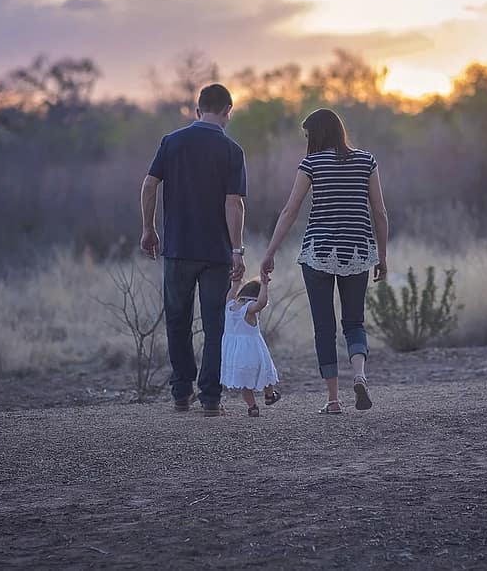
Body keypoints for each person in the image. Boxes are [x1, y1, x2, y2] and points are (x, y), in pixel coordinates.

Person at [260, 108, 389, 415]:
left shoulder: (311, 164)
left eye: (308, 135)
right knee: (354, 321)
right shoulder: (366, 161)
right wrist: (382, 256)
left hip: (318, 252)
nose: (307, 141)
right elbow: (380, 213)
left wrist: (270, 251)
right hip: (357, 251)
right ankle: (359, 375)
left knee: (324, 326)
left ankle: (333, 399)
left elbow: (290, 211)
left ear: (317, 134)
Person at [140, 83, 247, 417]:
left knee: (177, 321)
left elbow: (149, 184)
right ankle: (211, 399)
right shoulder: (232, 150)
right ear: (228, 111)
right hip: (216, 253)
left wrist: (148, 228)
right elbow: (234, 204)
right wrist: (237, 249)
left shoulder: (172, 142)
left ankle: (181, 393)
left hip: (177, 249)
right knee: (215, 325)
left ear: (198, 110)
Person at [220, 276, 282, 417]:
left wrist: (236, 283)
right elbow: (261, 302)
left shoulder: (229, 305)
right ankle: (269, 395)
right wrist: (264, 285)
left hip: (234, 353)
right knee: (265, 372)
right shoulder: (249, 309)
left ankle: (252, 407)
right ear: (255, 296)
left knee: (244, 383)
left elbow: (231, 293)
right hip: (252, 351)